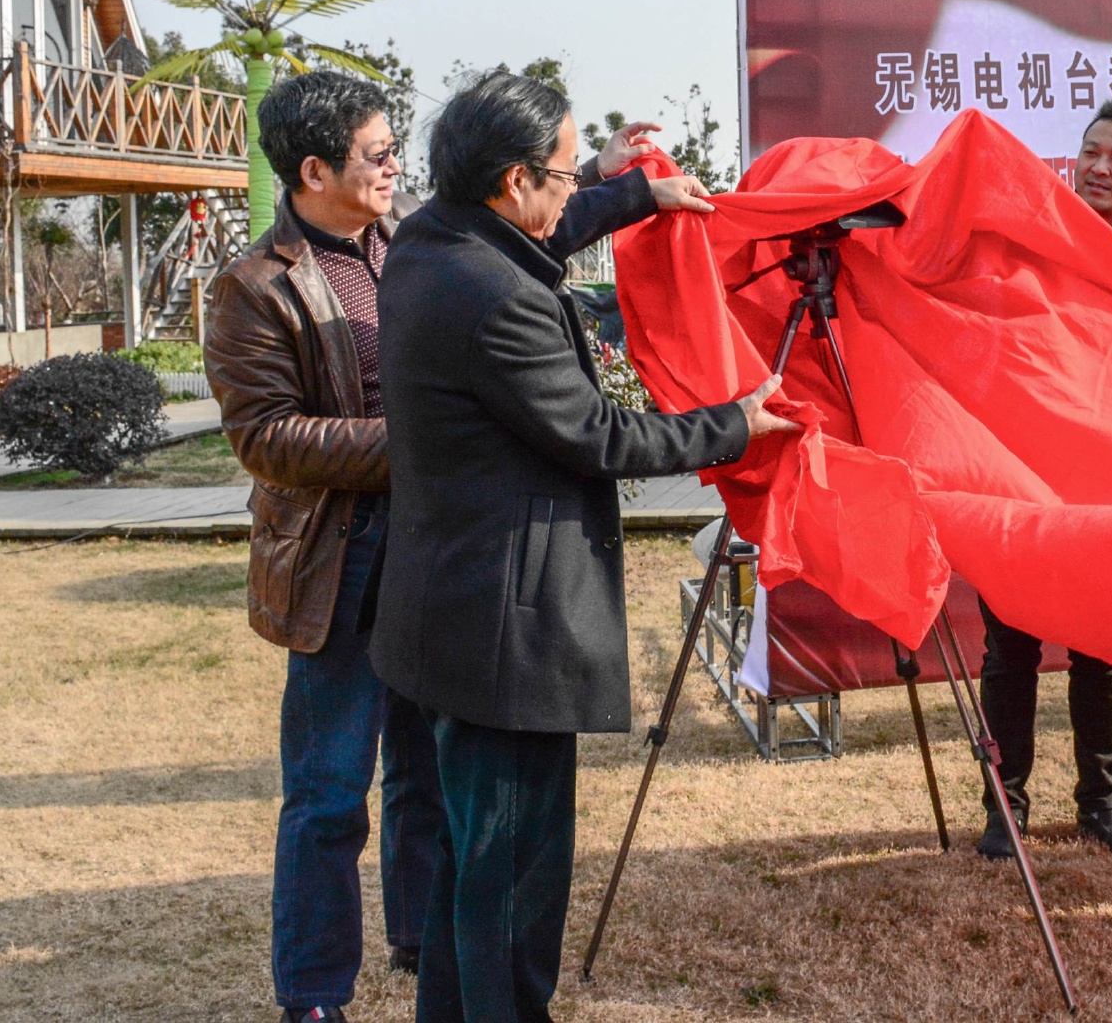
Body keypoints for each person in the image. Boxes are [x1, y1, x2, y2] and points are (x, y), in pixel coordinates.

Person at [368, 72, 795, 1023]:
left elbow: (544, 233)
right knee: (511, 880)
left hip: (445, 613)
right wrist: (736, 422)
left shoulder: (429, 245)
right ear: (513, 180)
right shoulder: (497, 301)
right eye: (562, 176)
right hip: (505, 637)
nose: (570, 194)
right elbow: (603, 437)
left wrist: (632, 189)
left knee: (463, 872)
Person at [205, 71, 444, 1023]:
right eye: (378, 155)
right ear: (314, 170)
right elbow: (267, 437)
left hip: (428, 546)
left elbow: (533, 214)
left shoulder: (413, 244)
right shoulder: (253, 286)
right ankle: (313, 994)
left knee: (427, 767)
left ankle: (422, 940)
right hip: (336, 557)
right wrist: (422, 444)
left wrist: (613, 177)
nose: (394, 169)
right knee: (330, 792)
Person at [977, 97, 1112, 862]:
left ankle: (1102, 804)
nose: (1099, 169)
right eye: (1090, 152)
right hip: (1021, 472)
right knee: (1009, 647)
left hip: (1109, 489)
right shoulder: (1029, 238)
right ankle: (1003, 808)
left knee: (1102, 649)